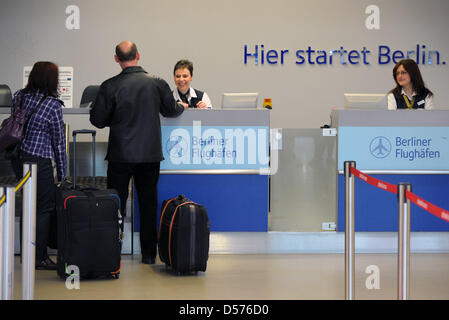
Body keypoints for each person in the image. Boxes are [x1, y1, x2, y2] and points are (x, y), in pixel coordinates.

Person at [90, 41, 187, 265]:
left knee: (115, 205)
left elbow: (97, 120)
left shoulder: (109, 85)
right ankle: (149, 255)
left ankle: (112, 253)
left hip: (120, 155)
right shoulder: (157, 83)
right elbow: (172, 110)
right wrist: (183, 107)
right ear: (138, 55)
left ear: (116, 58)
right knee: (148, 204)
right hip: (149, 156)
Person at [11, 61, 67, 270]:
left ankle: (26, 253)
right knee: (44, 208)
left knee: (27, 206)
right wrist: (62, 173)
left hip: (19, 158)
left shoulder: (19, 96)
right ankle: (39, 257)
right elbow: (58, 142)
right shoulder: (53, 105)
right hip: (39, 161)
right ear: (52, 79)